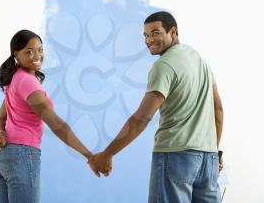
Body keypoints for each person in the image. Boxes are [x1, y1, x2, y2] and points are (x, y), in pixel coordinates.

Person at [89, 11, 224, 203]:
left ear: (173, 32)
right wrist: (213, 153)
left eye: (155, 32)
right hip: (208, 159)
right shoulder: (199, 61)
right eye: (145, 35)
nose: (149, 40)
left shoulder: (164, 65)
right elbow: (218, 110)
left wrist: (108, 154)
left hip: (176, 156)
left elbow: (142, 118)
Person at [0, 30, 93, 203]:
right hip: (21, 156)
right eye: (29, 51)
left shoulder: (15, 79)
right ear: (16, 55)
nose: (37, 55)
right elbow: (56, 124)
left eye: (40, 49)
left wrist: (0, 132)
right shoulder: (28, 82)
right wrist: (89, 155)